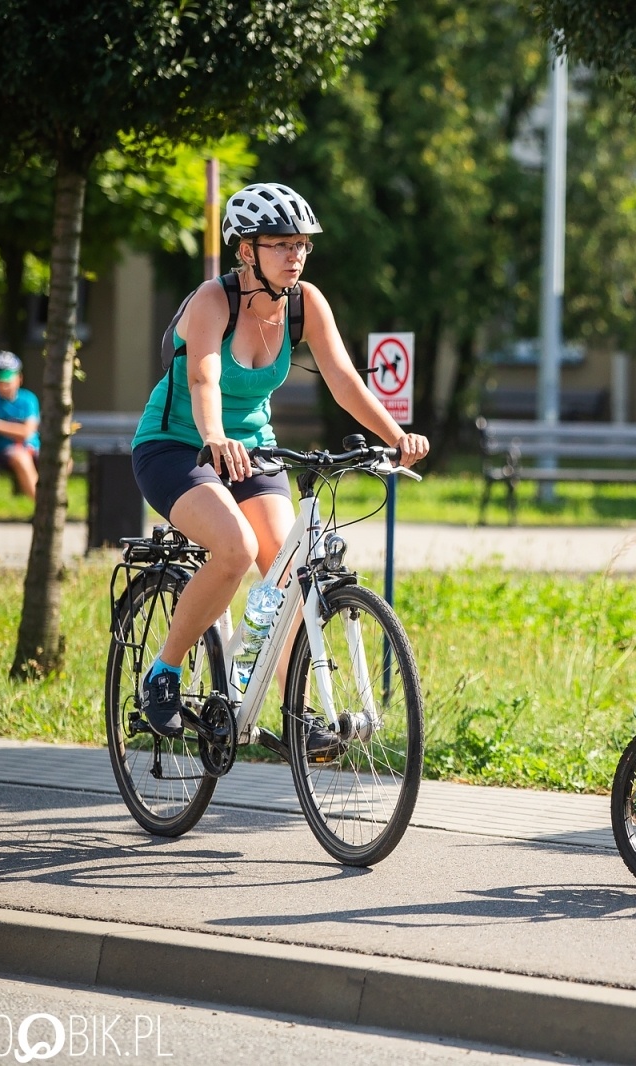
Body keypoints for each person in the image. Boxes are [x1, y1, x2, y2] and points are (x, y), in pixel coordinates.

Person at [128, 182, 429, 740]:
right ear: (246, 250)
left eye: (302, 245)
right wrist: (215, 436)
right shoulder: (212, 301)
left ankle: (284, 707)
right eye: (282, 244)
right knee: (236, 549)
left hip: (255, 450)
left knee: (293, 569)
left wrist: (396, 435)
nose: (296, 255)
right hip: (176, 446)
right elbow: (203, 377)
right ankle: (164, 674)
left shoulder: (305, 302)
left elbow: (342, 379)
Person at [0, 351, 39, 500]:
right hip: (7, 451)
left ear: (19, 378)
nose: (4, 386)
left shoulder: (29, 399)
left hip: (33, 447)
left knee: (61, 460)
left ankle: (52, 503)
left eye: (8, 380)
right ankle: (43, 506)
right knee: (21, 458)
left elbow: (27, 432)